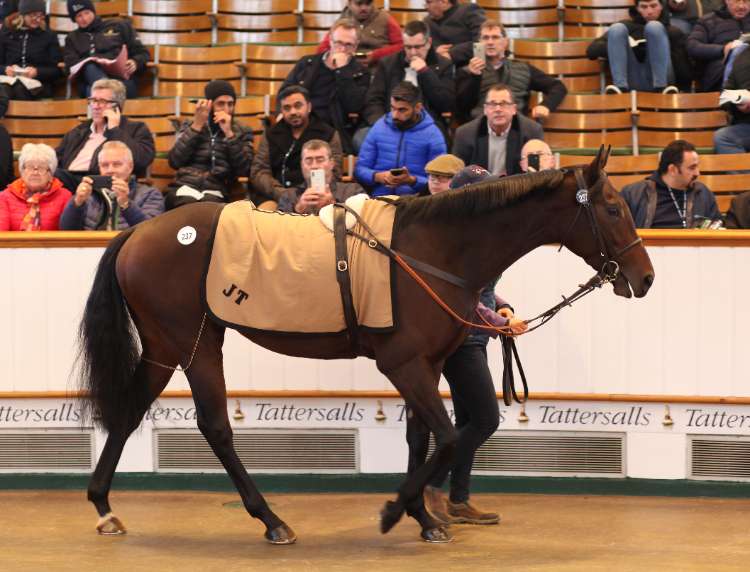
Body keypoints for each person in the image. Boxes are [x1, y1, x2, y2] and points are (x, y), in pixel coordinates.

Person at [421, 164, 528, 526]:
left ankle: (458, 499)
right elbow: (461, 297)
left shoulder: (472, 234)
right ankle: (431, 481)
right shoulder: (455, 239)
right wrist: (501, 322)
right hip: (460, 338)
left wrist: (502, 306)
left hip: (473, 336)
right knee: (485, 419)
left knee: (468, 420)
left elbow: (481, 290)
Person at [280, 19, 371, 154]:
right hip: (300, 122)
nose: (342, 49)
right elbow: (284, 91)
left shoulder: (361, 73)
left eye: (348, 45)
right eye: (338, 43)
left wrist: (342, 71)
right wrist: (281, 112)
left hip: (334, 130)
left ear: (356, 46)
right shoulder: (307, 63)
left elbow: (354, 106)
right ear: (330, 40)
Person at [166, 80, 254, 210]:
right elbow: (174, 161)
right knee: (186, 206)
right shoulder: (191, 125)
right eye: (221, 104)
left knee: (208, 209)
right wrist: (196, 126)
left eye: (230, 104)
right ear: (210, 104)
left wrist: (229, 134)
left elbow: (245, 169)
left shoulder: (242, 131)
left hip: (216, 189)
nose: (226, 109)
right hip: (186, 186)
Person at [55, 78, 154, 193]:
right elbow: (56, 159)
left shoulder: (136, 129)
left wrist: (114, 130)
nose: (96, 106)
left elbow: (141, 160)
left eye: (102, 101)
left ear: (117, 106)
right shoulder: (79, 131)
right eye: (93, 100)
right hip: (69, 182)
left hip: (101, 183)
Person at [455, 20, 567, 122]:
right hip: (481, 127)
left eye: (495, 37)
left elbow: (557, 87)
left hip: (516, 127)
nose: (490, 42)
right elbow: (461, 108)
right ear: (479, 43)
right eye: (485, 38)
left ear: (505, 42)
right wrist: (474, 77)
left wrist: (546, 105)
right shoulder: (466, 71)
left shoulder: (523, 68)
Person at [250, 86, 343, 205]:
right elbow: (259, 171)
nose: (293, 112)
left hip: (316, 195)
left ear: (309, 107)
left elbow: (334, 171)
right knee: (266, 211)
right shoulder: (271, 134)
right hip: (276, 196)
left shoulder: (328, 133)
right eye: (287, 108)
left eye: (298, 106)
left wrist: (310, 194)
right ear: (281, 111)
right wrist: (282, 193)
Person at [354, 82, 447, 196]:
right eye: (392, 108)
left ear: (418, 108)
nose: (395, 115)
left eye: (402, 110)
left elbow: (440, 179)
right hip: (379, 198)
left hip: (417, 200)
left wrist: (412, 180)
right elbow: (360, 170)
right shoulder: (379, 128)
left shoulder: (433, 135)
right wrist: (378, 177)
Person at [362, 20, 455, 134]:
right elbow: (373, 100)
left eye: (418, 47)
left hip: (427, 128)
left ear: (429, 43)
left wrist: (425, 72)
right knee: (362, 136)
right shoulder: (388, 64)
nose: (413, 53)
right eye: (408, 47)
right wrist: (382, 124)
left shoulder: (443, 65)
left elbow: (445, 104)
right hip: (391, 124)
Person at [586, 0, 690, 94]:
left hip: (663, 79)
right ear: (637, 8)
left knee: (654, 27)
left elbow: (682, 66)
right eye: (644, 7)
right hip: (631, 78)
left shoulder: (672, 31)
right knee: (617, 28)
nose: (649, 11)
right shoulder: (626, 27)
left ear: (661, 6)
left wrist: (684, 90)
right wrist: (626, 46)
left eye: (653, 6)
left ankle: (661, 87)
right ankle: (620, 87)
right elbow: (592, 51)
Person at [59, 140, 163, 231]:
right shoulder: (88, 194)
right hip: (90, 246)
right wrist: (77, 202)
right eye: (104, 165)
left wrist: (126, 204)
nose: (110, 170)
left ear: (130, 167)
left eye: (117, 164)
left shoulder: (150, 194)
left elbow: (150, 231)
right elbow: (66, 230)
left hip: (129, 246)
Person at [620, 139, 721, 228]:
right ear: (672, 169)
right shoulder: (633, 195)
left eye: (697, 167)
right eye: (692, 168)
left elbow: (717, 227)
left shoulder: (703, 194)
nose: (697, 173)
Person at [452, 84, 544, 177]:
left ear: (514, 109)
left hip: (516, 184)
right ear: (485, 109)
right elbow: (458, 174)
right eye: (492, 104)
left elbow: (536, 173)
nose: (498, 109)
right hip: (480, 185)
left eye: (504, 104)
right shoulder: (465, 134)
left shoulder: (531, 131)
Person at [63, 0, 150, 98]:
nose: (84, 18)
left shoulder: (119, 26)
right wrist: (91, 61)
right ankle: (107, 94)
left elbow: (142, 53)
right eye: (79, 16)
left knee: (94, 93)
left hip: (121, 83)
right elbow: (70, 66)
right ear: (74, 19)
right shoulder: (72, 38)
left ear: (93, 11)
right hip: (92, 83)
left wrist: (135, 62)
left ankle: (106, 93)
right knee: (90, 67)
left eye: (87, 13)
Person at [0, 0, 63, 104]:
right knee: (4, 90)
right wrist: (5, 69)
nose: (37, 19)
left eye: (40, 15)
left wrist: (37, 72)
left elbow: (57, 70)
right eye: (33, 15)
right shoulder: (7, 33)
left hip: (37, 83)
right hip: (8, 80)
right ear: (23, 14)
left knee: (18, 89)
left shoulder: (48, 36)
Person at [277, 139, 364, 214]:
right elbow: (279, 226)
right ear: (301, 165)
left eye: (320, 160)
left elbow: (362, 222)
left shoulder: (353, 191)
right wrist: (297, 210)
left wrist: (334, 206)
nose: (314, 166)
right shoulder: (288, 196)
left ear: (332, 163)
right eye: (308, 161)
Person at [0, 143, 70, 231]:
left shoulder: (64, 196)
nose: (35, 172)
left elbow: (70, 232)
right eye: (30, 167)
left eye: (41, 168)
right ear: (22, 171)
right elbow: (1, 232)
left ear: (50, 173)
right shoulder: (5, 197)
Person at [316, 0, 403, 67]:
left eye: (368, 3)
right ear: (349, 3)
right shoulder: (342, 20)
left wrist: (375, 56)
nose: (364, 8)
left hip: (378, 71)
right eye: (359, 4)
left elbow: (401, 46)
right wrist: (338, 55)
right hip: (346, 70)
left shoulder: (385, 19)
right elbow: (323, 48)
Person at [687, 0, 750, 92]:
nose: (741, 6)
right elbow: (692, 46)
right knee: (737, 51)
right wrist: (723, 49)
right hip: (719, 74)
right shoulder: (708, 21)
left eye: (746, 1)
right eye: (736, 1)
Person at [423, 0, 485, 67]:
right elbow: (422, 47)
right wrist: (435, 52)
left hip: (469, 67)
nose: (425, 7)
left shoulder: (468, 10)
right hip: (438, 69)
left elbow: (482, 41)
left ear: (444, 2)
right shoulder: (427, 21)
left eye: (429, 2)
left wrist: (451, 54)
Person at [715, 42, 750, 153]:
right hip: (746, 124)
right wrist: (738, 101)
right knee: (723, 138)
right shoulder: (741, 58)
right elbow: (725, 95)